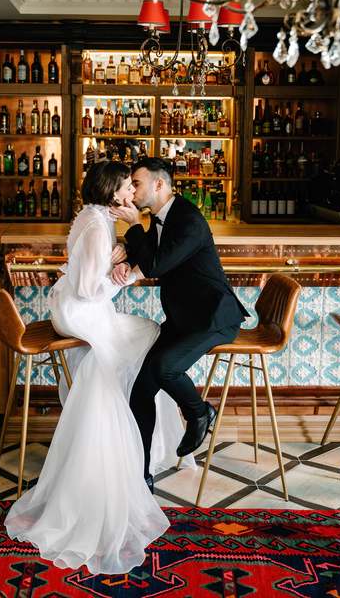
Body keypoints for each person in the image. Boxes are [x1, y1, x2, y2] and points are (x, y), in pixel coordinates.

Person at [5, 160, 195, 576]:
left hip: (71, 306)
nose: (133, 192)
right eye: (128, 186)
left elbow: (82, 271)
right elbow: (91, 289)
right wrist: (123, 276)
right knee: (135, 344)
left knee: (142, 337)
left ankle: (138, 442)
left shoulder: (93, 216)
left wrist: (115, 261)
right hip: (80, 312)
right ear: (112, 191)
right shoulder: (96, 225)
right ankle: (121, 451)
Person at [110, 157, 248, 488]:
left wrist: (132, 226)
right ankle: (141, 475)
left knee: (165, 369)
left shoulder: (188, 220)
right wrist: (125, 256)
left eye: (137, 183)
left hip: (214, 318)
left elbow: (156, 265)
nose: (132, 191)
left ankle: (200, 412)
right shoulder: (162, 218)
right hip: (184, 318)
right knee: (141, 389)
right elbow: (150, 254)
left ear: (158, 184)